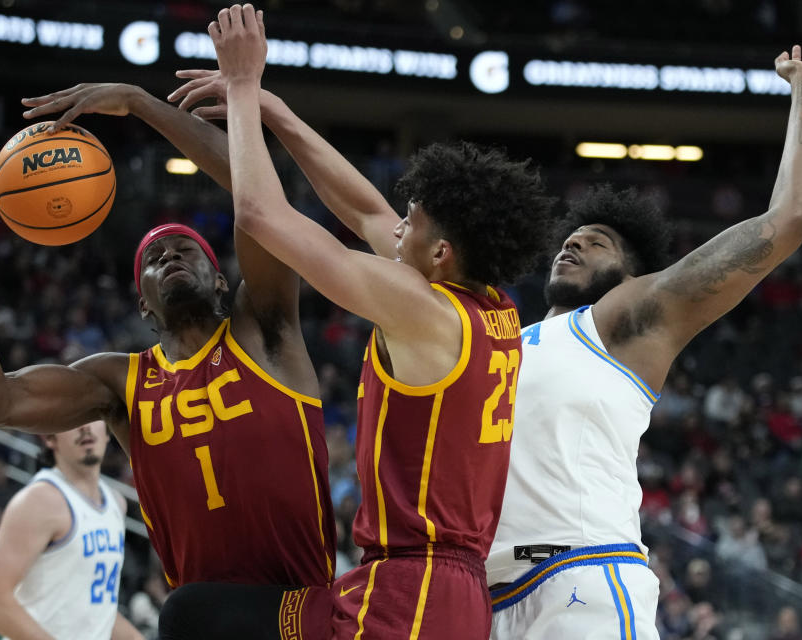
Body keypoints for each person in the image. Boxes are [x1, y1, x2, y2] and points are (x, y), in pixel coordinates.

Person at [0, 54, 335, 639]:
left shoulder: (264, 326)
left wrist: (140, 102)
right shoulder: (119, 383)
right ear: (143, 305)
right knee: (185, 613)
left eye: (186, 249)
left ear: (221, 280)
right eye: (152, 260)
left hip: (300, 607)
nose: (168, 256)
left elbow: (255, 189)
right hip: (203, 617)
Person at [205, 5, 553, 637]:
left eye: (412, 222)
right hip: (434, 589)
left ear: (441, 253)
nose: (397, 229)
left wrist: (241, 86)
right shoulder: (491, 305)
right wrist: (276, 113)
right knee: (201, 615)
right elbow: (364, 209)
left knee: (202, 618)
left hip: (410, 597)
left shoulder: (423, 310)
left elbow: (261, 216)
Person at [484, 31, 802, 639]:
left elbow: (791, 218)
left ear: (632, 277)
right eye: (571, 238)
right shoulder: (505, 336)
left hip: (581, 579)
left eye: (597, 243)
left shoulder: (623, 318)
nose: (573, 243)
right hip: (490, 594)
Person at [0, 420, 142, 640]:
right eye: (74, 420)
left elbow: (98, 611)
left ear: (107, 431)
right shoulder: (39, 500)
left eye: (92, 417)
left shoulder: (116, 503)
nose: (85, 428)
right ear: (49, 438)